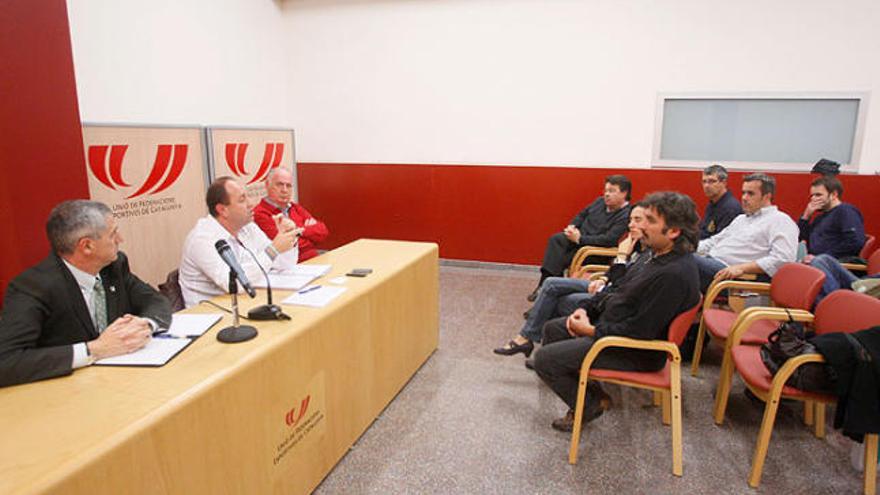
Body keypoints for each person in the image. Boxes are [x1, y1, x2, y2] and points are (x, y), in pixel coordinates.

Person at [533, 192, 701, 431]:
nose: (640, 225)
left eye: (650, 221)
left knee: (545, 359)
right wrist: (584, 308)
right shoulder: (651, 256)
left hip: (633, 350)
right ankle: (592, 393)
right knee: (553, 329)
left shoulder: (672, 274)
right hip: (615, 329)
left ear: (673, 231)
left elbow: (639, 331)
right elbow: (616, 289)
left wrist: (591, 329)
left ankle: (589, 404)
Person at [0, 200, 172, 387]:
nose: (120, 239)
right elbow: (6, 362)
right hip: (62, 394)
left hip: (118, 383)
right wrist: (93, 350)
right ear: (87, 246)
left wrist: (145, 325)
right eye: (113, 234)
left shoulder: (114, 266)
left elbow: (156, 301)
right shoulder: (33, 287)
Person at [494, 205, 648, 359]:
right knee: (551, 283)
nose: (631, 225)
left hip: (609, 294)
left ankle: (545, 350)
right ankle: (530, 339)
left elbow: (624, 283)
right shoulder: (635, 243)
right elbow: (616, 270)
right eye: (631, 220)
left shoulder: (648, 254)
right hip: (605, 284)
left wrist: (618, 258)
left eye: (637, 220)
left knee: (559, 299)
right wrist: (603, 278)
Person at [179, 177, 301, 308]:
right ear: (222, 210)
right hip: (211, 315)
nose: (251, 203)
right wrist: (273, 250)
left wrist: (288, 237)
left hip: (246, 304)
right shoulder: (202, 239)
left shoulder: (247, 227)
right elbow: (236, 284)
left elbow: (284, 264)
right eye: (242, 200)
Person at [527, 175, 632, 301]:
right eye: (606, 190)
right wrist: (572, 227)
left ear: (624, 193)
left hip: (593, 251)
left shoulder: (626, 215)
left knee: (557, 258)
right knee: (556, 240)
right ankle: (547, 289)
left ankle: (544, 289)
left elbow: (608, 240)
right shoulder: (599, 202)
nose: (607, 194)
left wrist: (580, 239)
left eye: (612, 191)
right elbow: (581, 215)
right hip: (578, 242)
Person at [693, 173, 798, 292]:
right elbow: (713, 242)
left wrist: (742, 268)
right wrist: (686, 247)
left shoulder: (780, 220)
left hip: (734, 276)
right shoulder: (741, 219)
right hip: (711, 262)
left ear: (767, 197)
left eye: (750, 193)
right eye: (743, 193)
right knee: (677, 255)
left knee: (683, 260)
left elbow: (783, 259)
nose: (744, 198)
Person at [253, 168, 329, 262]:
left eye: (288, 186)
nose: (284, 190)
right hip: (291, 266)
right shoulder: (260, 213)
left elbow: (323, 232)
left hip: (314, 259)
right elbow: (287, 246)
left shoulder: (295, 207)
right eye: (279, 185)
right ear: (267, 185)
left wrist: (297, 231)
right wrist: (308, 234)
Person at [798, 175, 865, 259]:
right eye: (812, 195)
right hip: (812, 260)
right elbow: (801, 239)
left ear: (833, 194)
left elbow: (854, 242)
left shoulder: (846, 211)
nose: (813, 199)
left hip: (831, 263)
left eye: (818, 195)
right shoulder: (820, 217)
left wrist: (824, 257)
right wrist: (806, 216)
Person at [698, 164, 741, 239]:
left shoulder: (730, 208)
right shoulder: (713, 203)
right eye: (704, 181)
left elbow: (721, 242)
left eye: (712, 181)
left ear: (724, 183)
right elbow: (704, 231)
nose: (706, 186)